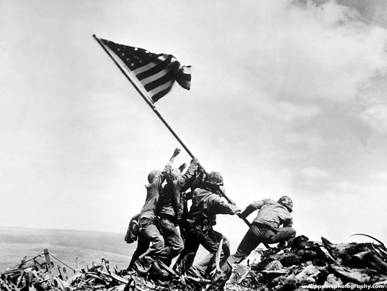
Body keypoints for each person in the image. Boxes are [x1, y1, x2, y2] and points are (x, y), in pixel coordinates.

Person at [174, 171, 240, 290]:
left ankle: (178, 274)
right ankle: (197, 272)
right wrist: (234, 206)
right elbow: (231, 210)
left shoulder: (197, 191)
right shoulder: (213, 199)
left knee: (189, 252)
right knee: (223, 248)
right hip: (202, 229)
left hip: (191, 227)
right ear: (216, 186)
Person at [156, 157, 199, 266]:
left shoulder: (170, 188)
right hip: (168, 220)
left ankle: (160, 269)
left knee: (169, 245)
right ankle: (150, 258)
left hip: (166, 220)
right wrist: (193, 165)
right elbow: (186, 178)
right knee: (177, 246)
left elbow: (185, 192)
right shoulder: (175, 184)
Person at [229, 196, 296, 264]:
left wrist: (244, 215)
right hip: (269, 234)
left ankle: (224, 266)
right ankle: (282, 250)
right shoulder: (288, 215)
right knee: (292, 231)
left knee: (240, 254)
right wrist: (281, 245)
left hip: (254, 229)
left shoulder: (268, 201)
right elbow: (286, 231)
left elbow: (253, 205)